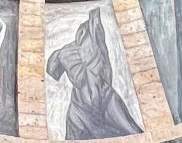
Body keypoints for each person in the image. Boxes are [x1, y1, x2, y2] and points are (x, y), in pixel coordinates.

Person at [46, 8, 142, 139]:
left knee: (133, 133)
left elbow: (52, 71)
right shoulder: (65, 52)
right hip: (84, 104)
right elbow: (52, 70)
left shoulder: (66, 51)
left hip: (100, 98)